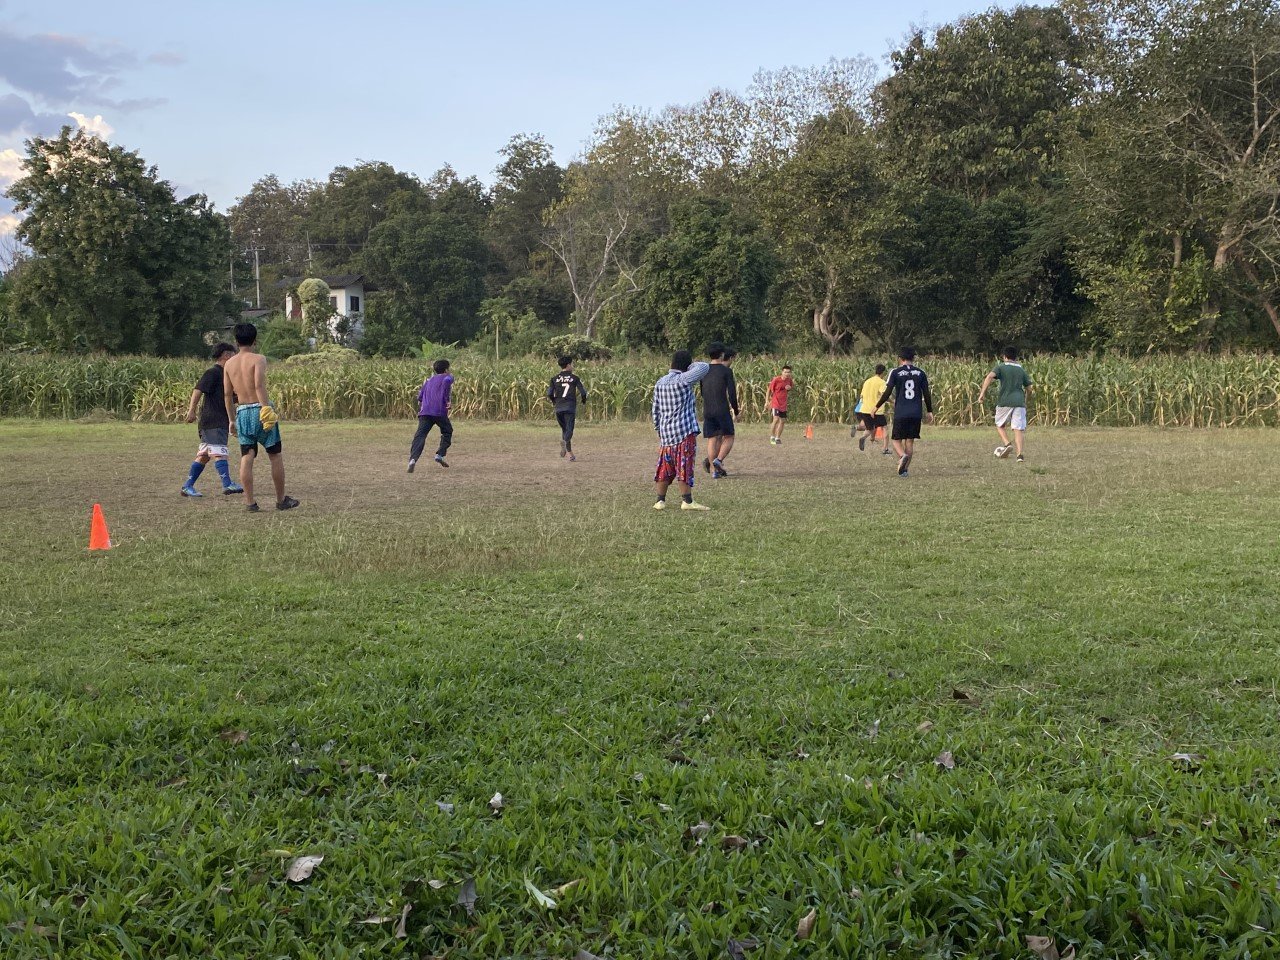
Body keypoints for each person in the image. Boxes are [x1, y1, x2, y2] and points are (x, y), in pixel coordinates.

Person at [223, 322, 299, 512]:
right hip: (260, 409)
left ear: (236, 341)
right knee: (274, 455)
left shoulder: (229, 364)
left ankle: (250, 502)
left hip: (242, 412)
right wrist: (266, 409)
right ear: (255, 340)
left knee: (247, 456)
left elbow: (227, 395)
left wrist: (231, 420)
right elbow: (259, 386)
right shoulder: (259, 359)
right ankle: (281, 500)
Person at [181, 342, 244, 498]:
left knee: (204, 455)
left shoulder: (226, 374)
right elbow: (198, 390)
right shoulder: (213, 372)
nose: (236, 357)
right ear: (226, 355)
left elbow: (229, 398)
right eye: (233, 354)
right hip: (213, 420)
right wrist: (191, 411)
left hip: (219, 420)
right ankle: (227, 484)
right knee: (219, 453)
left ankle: (187, 486)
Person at [652, 349, 712, 511]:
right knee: (684, 465)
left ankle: (660, 500)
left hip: (666, 434)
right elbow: (704, 367)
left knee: (665, 467)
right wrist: (690, 365)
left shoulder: (660, 382)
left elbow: (655, 410)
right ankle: (687, 501)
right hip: (684, 432)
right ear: (686, 366)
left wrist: (660, 430)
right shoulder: (683, 379)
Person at [875, 347, 934, 478]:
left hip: (901, 412)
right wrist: (930, 411)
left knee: (896, 440)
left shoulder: (895, 372)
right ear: (913, 358)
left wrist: (877, 406)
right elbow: (926, 394)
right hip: (916, 412)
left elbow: (887, 392)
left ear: (900, 359)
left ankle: (902, 456)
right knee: (909, 442)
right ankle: (904, 471)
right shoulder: (921, 373)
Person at [977, 346, 1033, 462]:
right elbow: (1029, 388)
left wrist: (982, 393)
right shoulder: (1021, 369)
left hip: (1005, 401)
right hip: (1019, 402)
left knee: (999, 424)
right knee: (1018, 429)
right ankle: (1019, 456)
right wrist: (1027, 399)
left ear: (1004, 357)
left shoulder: (1001, 367)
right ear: (1015, 357)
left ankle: (1007, 444)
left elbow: (989, 377)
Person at [408, 359, 454, 471]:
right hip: (439, 412)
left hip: (425, 412)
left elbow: (419, 397)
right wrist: (447, 400)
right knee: (447, 431)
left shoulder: (428, 381)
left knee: (420, 435)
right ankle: (440, 454)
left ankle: (413, 459)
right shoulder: (447, 378)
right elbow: (448, 381)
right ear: (446, 369)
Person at [701, 344, 739, 478]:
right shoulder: (726, 371)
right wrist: (736, 410)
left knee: (712, 439)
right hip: (722, 409)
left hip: (708, 409)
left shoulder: (703, 370)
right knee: (729, 436)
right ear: (722, 354)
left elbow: (702, 392)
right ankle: (719, 460)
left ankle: (713, 471)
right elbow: (732, 394)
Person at [547, 355, 588, 461]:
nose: (573, 366)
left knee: (564, 430)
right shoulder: (574, 378)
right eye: (572, 364)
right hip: (569, 407)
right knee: (569, 431)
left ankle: (570, 455)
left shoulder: (554, 379)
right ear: (568, 365)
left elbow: (549, 393)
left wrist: (554, 401)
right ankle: (564, 443)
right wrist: (583, 401)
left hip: (559, 407)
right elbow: (583, 392)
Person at [856, 363, 892, 456]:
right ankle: (885, 449)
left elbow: (862, 395)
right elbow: (885, 395)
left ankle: (863, 438)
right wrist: (893, 401)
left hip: (865, 409)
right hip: (876, 410)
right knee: (884, 428)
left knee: (870, 428)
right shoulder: (881, 382)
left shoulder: (867, 381)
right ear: (883, 372)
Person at [768, 364, 794, 445]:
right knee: (775, 419)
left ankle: (777, 438)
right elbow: (769, 390)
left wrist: (789, 388)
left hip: (783, 404)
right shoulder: (776, 380)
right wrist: (766, 401)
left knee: (782, 421)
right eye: (785, 372)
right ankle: (772, 437)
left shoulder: (789, 380)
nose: (787, 374)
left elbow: (790, 387)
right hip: (776, 402)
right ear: (782, 372)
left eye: (789, 372)